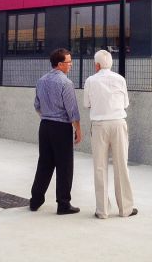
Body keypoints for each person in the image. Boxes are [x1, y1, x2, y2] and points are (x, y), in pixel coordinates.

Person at [83, 49, 137, 219]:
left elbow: (86, 104)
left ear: (97, 65)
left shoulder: (90, 80)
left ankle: (102, 210)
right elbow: (125, 103)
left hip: (99, 125)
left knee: (100, 167)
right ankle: (126, 208)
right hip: (118, 123)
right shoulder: (120, 79)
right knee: (121, 165)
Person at [29, 48, 83, 215]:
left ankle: (35, 200)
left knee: (44, 163)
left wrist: (47, 117)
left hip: (45, 126)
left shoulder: (41, 80)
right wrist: (78, 129)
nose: (71, 65)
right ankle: (63, 204)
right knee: (64, 166)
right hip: (61, 128)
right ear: (60, 64)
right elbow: (72, 110)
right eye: (68, 62)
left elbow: (37, 105)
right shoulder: (66, 83)